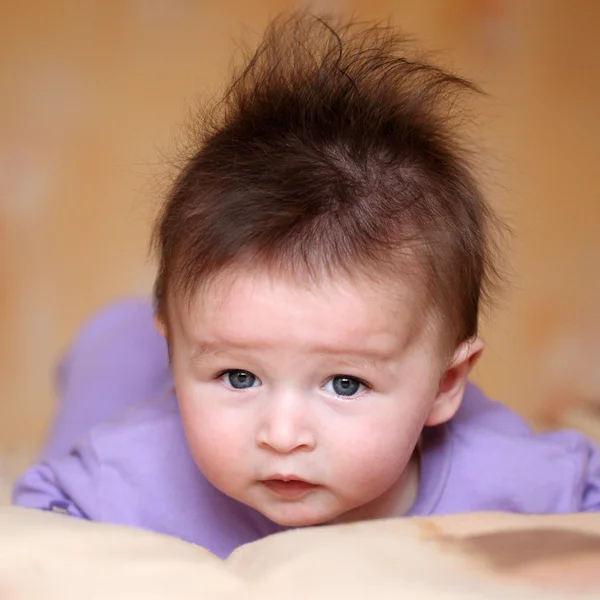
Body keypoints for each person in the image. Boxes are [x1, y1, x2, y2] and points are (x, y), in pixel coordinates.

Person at [13, 14, 600, 559]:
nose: (283, 435)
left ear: (447, 384)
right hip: (153, 376)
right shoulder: (131, 471)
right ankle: (130, 342)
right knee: (111, 371)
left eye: (346, 384)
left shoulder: (508, 479)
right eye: (238, 377)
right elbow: (40, 524)